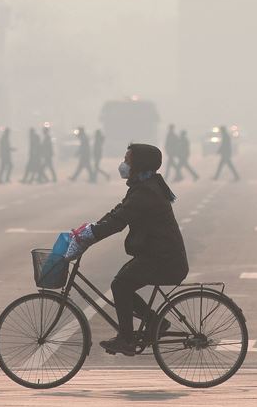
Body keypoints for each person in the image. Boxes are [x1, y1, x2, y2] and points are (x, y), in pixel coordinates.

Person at [63, 143, 188, 356]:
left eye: (127, 161)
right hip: (157, 255)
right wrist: (91, 229)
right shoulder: (143, 187)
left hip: (165, 259)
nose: (123, 165)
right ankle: (156, 322)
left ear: (138, 164)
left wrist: (92, 236)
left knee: (121, 285)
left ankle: (127, 339)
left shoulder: (146, 192)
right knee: (123, 284)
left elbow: (118, 222)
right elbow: (117, 212)